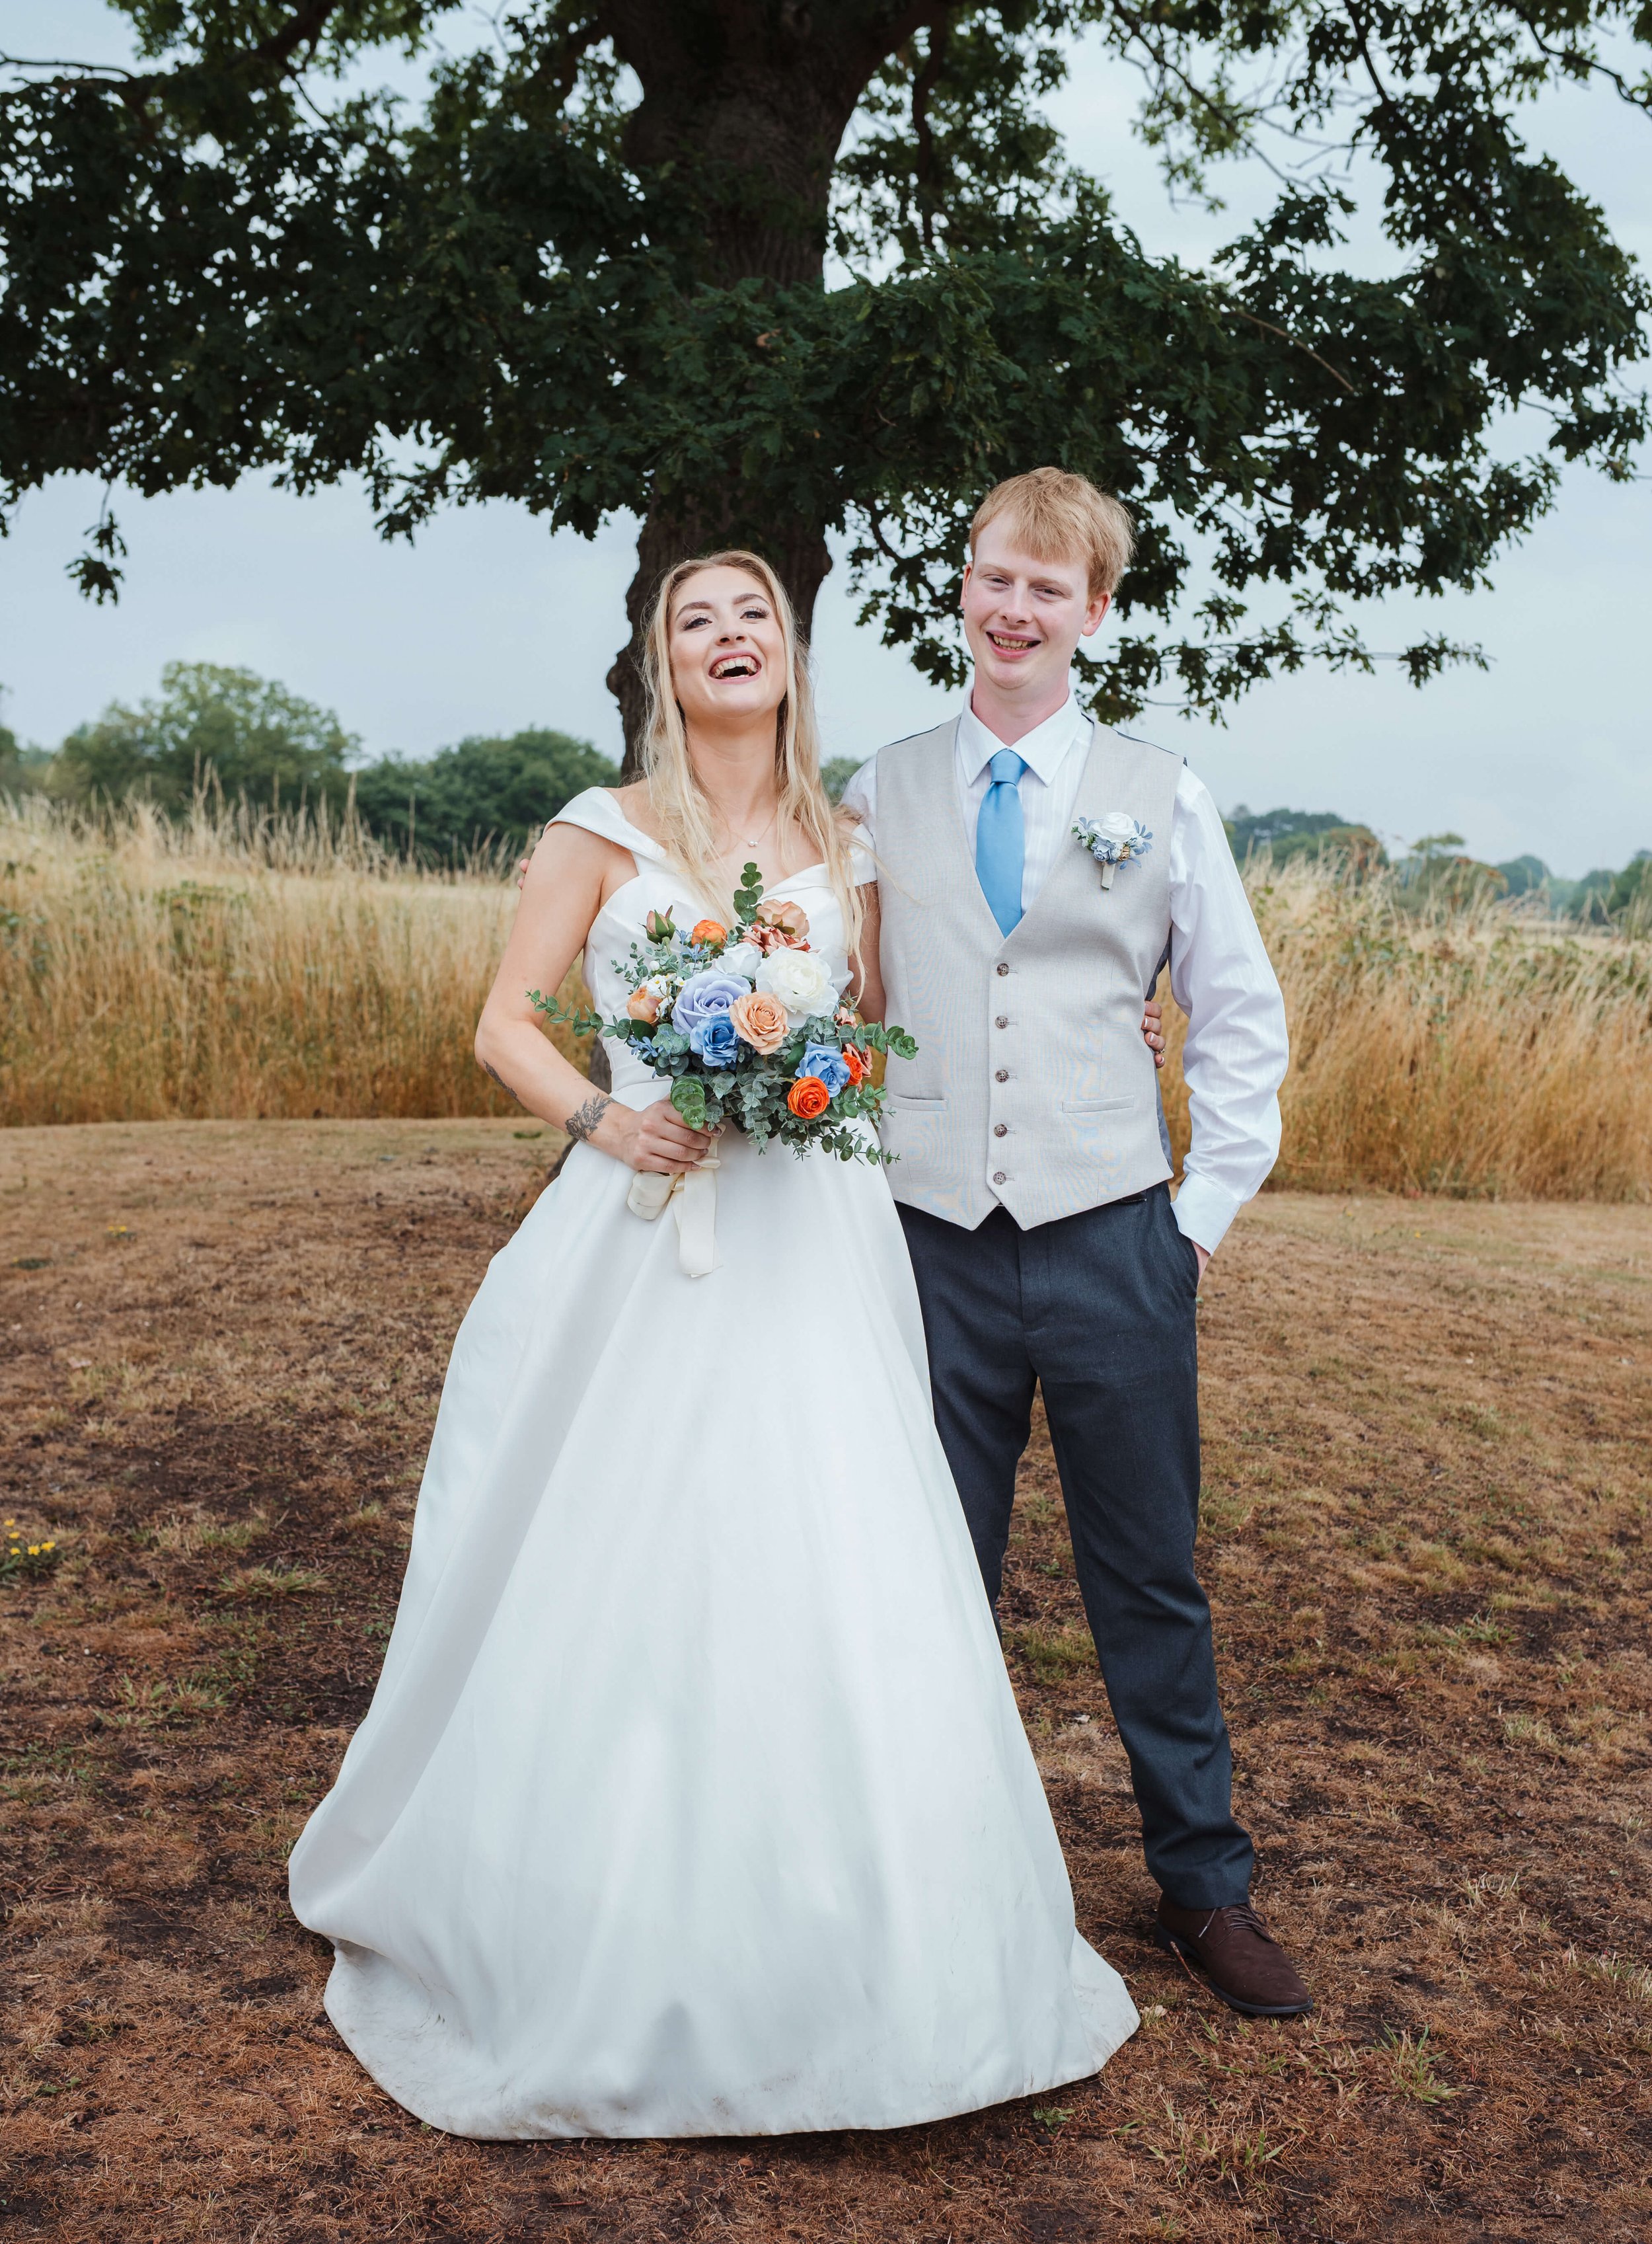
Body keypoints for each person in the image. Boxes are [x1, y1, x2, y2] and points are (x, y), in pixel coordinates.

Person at [287, 547, 1146, 2140]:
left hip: (813, 1246)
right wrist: (610, 1119)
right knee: (625, 1556)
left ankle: (855, 1940)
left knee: (828, 1557)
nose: (732, 635)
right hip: (643, 1240)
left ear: (790, 656)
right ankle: (588, 1912)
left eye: (756, 615)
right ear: (659, 664)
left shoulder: (849, 842)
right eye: (699, 620)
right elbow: (502, 1022)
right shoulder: (598, 833)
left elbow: (890, 1029)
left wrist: (849, 1073)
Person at [845, 469, 1312, 2020]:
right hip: (925, 1241)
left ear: (1092, 611)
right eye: (991, 577)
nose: (1012, 607)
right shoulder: (879, 785)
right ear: (961, 587)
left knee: (1145, 1577)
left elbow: (1237, 1014)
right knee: (926, 1572)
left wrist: (1194, 1223)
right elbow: (844, 1005)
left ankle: (1202, 1887)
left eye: (1047, 588)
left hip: (1114, 1237)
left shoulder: (1158, 790)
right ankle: (920, 1872)